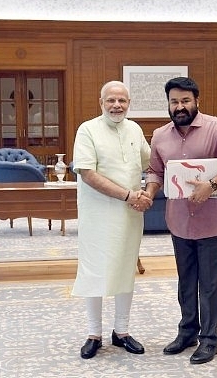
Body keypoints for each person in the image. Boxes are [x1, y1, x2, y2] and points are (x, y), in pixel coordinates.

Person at [144, 76, 217, 365]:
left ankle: (209, 339)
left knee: (210, 284)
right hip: (179, 221)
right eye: (174, 101)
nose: (180, 106)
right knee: (186, 281)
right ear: (168, 104)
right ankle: (187, 332)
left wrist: (212, 185)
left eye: (185, 101)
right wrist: (148, 192)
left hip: (212, 221)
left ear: (196, 101)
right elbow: (155, 171)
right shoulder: (159, 136)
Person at [71, 80, 153, 359]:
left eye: (122, 101)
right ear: (101, 102)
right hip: (97, 212)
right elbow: (88, 174)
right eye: (111, 100)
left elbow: (148, 162)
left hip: (128, 213)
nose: (117, 105)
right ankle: (94, 333)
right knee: (94, 270)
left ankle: (122, 331)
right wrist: (128, 194)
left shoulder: (135, 129)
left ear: (129, 104)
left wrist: (143, 193)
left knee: (124, 266)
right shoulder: (87, 130)